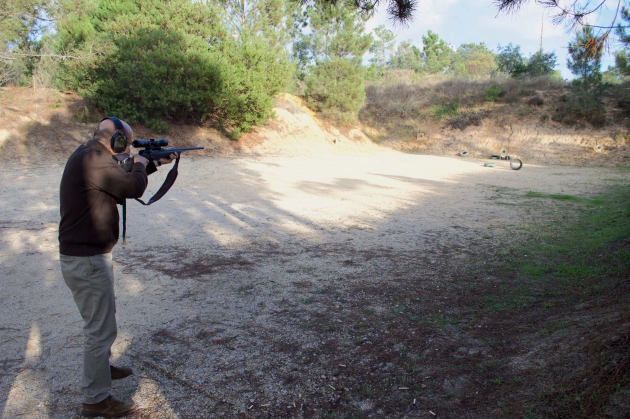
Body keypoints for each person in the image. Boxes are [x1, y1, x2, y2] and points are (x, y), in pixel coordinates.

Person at [58, 117, 176, 417]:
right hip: (86, 259)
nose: (126, 148)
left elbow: (120, 177)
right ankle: (96, 400)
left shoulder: (87, 155)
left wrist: (151, 163)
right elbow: (131, 186)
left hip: (86, 256)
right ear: (118, 141)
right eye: (126, 142)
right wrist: (139, 164)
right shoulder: (95, 160)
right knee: (100, 329)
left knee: (102, 319)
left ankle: (101, 370)